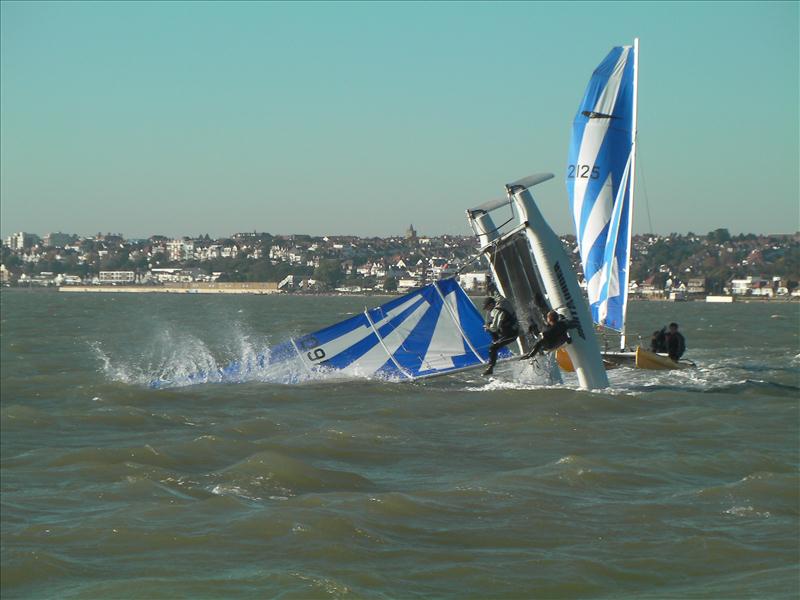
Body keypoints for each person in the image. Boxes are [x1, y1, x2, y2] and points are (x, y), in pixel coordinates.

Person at [482, 295, 519, 376]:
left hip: (511, 334)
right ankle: (496, 343)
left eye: (487, 308)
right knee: (489, 324)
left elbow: (494, 328)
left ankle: (490, 368)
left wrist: (488, 328)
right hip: (507, 332)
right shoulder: (500, 305)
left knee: (492, 348)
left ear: (491, 304)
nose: (487, 310)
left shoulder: (497, 310)